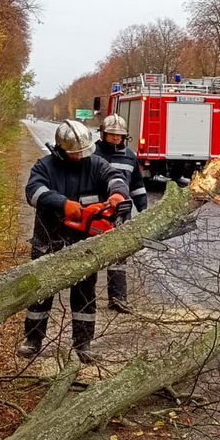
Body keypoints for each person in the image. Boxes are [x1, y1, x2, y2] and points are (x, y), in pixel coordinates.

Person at [18, 119, 129, 363]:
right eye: (74, 152)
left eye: (82, 151)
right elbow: (33, 191)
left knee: (85, 293)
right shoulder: (44, 166)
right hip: (49, 238)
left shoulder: (96, 164)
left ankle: (83, 343)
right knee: (40, 291)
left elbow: (115, 177)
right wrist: (62, 203)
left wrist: (117, 195)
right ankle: (33, 339)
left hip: (84, 242)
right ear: (61, 149)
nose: (79, 156)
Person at [93, 114, 147, 313]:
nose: (116, 138)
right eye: (112, 135)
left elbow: (137, 186)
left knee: (119, 257)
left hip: (121, 214)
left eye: (119, 135)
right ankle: (85, 298)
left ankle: (118, 298)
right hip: (96, 212)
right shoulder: (92, 154)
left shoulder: (130, 156)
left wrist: (143, 211)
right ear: (103, 134)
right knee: (90, 256)